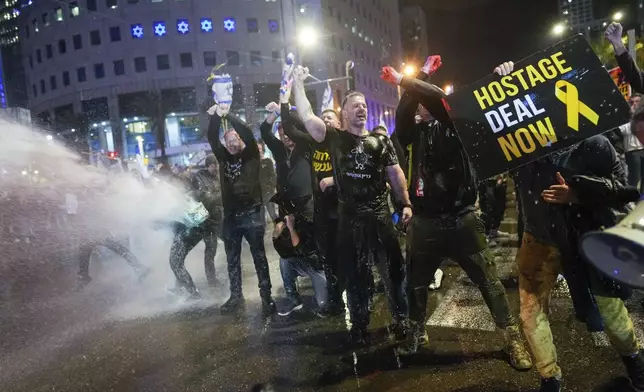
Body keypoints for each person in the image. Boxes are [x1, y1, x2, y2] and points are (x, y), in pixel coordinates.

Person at [497, 60, 644, 392]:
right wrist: (504, 90)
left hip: (586, 236)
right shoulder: (518, 147)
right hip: (540, 238)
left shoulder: (593, 141)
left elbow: (620, 190)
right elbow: (482, 136)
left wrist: (577, 194)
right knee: (531, 314)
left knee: (611, 313)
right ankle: (550, 376)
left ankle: (634, 361)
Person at [381, 57, 532, 371]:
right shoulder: (411, 133)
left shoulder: (456, 123)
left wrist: (408, 79)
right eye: (417, 103)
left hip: (462, 217)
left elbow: (437, 99)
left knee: (489, 283)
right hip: (425, 222)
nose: (420, 106)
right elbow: (403, 110)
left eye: (425, 101)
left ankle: (511, 337)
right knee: (416, 284)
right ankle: (416, 331)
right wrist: (413, 79)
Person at [289, 64, 411, 345]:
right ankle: (359, 325)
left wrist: (404, 203)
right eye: (355, 105)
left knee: (393, 270)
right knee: (356, 276)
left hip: (380, 215)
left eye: (364, 105)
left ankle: (401, 320)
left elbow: (395, 174)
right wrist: (298, 83)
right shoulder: (333, 137)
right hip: (350, 218)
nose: (361, 109)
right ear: (343, 113)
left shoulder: (381, 141)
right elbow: (306, 116)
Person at [277, 84, 344, 314]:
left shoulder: (344, 141)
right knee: (328, 260)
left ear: (339, 123)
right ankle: (335, 300)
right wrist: (285, 103)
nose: (325, 121)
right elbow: (290, 126)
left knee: (348, 258)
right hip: (322, 212)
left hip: (344, 211)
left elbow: (354, 170)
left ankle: (353, 302)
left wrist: (334, 180)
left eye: (330, 118)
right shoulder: (310, 143)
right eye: (321, 117)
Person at [206, 103, 276, 316]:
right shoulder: (223, 157)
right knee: (232, 259)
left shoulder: (252, 154)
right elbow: (211, 136)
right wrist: (217, 116)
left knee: (259, 257)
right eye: (229, 141)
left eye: (235, 139)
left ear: (241, 140)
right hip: (231, 218)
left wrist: (230, 115)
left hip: (253, 214)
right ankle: (236, 296)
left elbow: (246, 129)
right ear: (225, 144)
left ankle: (266, 296)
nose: (232, 143)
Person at [167, 154, 222, 298]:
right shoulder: (199, 179)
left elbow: (212, 200)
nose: (215, 168)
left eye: (216, 165)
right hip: (199, 224)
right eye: (212, 165)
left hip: (203, 224)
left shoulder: (219, 180)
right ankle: (184, 287)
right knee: (177, 260)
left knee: (177, 260)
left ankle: (198, 289)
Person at [273, 214, 328, 316]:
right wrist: (276, 235)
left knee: (324, 305)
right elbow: (284, 253)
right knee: (285, 261)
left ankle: (336, 294)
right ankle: (293, 299)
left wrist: (291, 229)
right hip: (307, 264)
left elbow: (301, 248)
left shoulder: (313, 221)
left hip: (321, 268)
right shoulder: (294, 220)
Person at [258, 141, 278, 222]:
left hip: (269, 193)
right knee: (261, 218)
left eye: (259, 148)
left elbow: (273, 175)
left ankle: (281, 231)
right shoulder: (254, 165)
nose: (257, 150)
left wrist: (271, 187)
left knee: (273, 214)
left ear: (262, 149)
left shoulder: (267, 161)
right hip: (259, 195)